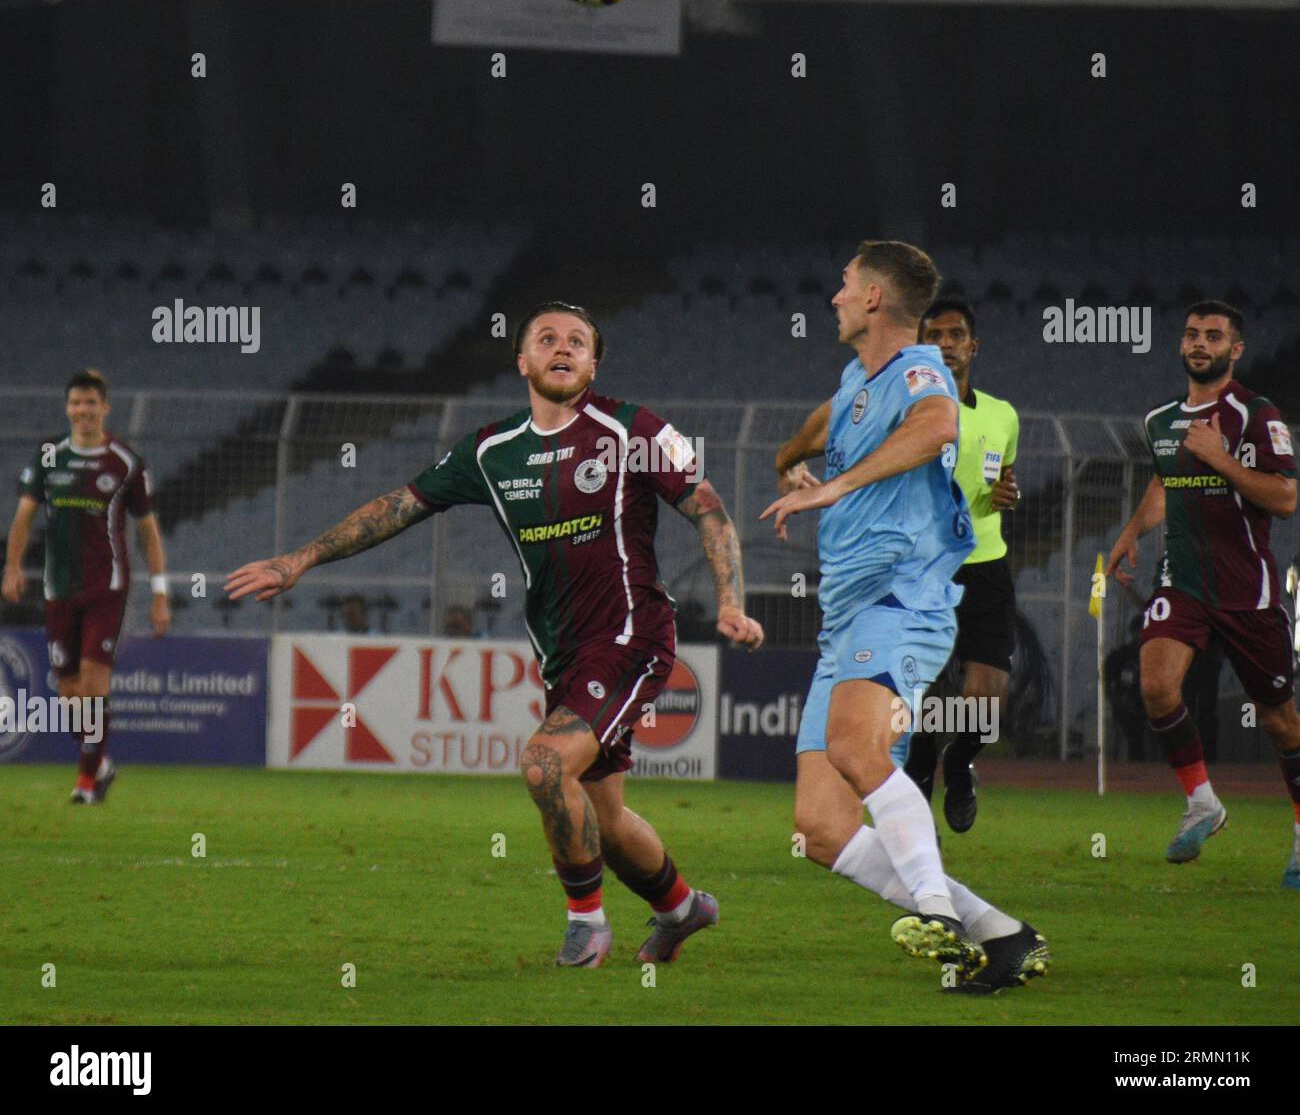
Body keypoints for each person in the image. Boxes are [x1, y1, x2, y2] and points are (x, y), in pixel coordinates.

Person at [227, 302, 765, 964]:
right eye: (547, 338)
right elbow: (400, 505)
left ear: (594, 363)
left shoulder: (633, 430)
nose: (562, 348)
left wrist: (730, 601)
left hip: (632, 636)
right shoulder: (491, 451)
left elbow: (708, 509)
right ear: (523, 361)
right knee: (606, 815)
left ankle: (587, 924)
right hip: (562, 653)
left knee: (542, 764)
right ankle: (682, 907)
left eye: (577, 341)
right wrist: (299, 559)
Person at [764, 241, 1049, 993]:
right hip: (847, 621)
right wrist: (790, 458)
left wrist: (837, 486)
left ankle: (937, 913)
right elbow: (825, 423)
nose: (832, 295)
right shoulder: (860, 376)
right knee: (820, 830)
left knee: (861, 750)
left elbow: (937, 426)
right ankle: (1004, 934)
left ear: (874, 300)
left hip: (904, 598)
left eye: (845, 283)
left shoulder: (921, 367)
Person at [1106, 301, 1299, 885]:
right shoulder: (1160, 421)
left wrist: (1221, 461)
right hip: (1183, 580)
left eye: (1213, 336)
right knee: (1157, 684)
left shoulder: (1258, 415)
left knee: (1279, 719)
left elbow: (1286, 498)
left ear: (1234, 350)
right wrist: (1130, 532)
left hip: (1248, 590)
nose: (1200, 343)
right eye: (1192, 334)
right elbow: (1167, 481)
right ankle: (1202, 803)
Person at [2, 368, 171, 803]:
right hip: (59, 590)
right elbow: (24, 515)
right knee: (69, 693)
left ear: (105, 408)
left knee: (95, 686)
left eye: (91, 403)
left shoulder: (126, 461)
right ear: (67, 408)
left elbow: (148, 531)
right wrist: (13, 567)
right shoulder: (48, 456)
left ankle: (85, 784)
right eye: (76, 403)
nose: (83, 411)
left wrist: (160, 592)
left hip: (106, 588)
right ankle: (103, 764)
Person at [901, 298, 1021, 832]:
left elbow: (1000, 477)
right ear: (921, 346)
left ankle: (959, 759)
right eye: (936, 335)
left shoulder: (1003, 415)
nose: (947, 343)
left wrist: (1007, 492)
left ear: (973, 346)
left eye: (956, 335)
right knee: (926, 689)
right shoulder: (904, 411)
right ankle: (922, 772)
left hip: (986, 564)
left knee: (985, 698)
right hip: (927, 566)